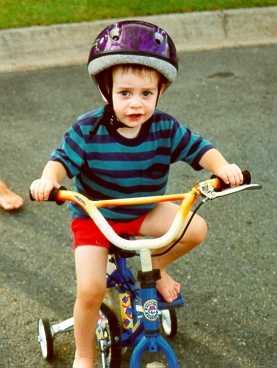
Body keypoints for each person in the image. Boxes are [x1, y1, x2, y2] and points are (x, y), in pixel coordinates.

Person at [30, 20, 243, 368]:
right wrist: (47, 180)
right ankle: (83, 354)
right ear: (106, 91)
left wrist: (221, 167)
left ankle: (153, 270)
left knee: (195, 227)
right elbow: (60, 162)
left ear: (160, 91)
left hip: (142, 210)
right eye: (125, 93)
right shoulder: (88, 129)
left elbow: (199, 148)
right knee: (91, 289)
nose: (136, 104)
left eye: (146, 94)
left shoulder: (164, 127)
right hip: (94, 217)